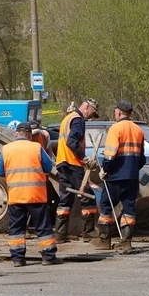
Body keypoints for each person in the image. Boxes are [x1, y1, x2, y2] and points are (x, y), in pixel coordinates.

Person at [0, 122, 58, 267]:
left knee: (16, 228)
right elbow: (48, 167)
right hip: (36, 195)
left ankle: (18, 258)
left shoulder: (6, 149)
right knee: (42, 227)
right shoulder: (36, 148)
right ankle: (48, 257)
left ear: (16, 134)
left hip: (16, 196)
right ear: (30, 135)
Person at [95, 101, 146, 252]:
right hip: (132, 176)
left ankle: (104, 240)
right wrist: (133, 170)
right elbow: (142, 158)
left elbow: (110, 155)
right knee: (129, 208)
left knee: (106, 206)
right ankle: (126, 242)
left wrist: (105, 170)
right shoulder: (138, 130)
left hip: (115, 176)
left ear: (118, 112)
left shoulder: (115, 129)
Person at [54, 98, 100, 243]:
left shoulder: (68, 118)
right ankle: (89, 231)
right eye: (91, 113)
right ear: (86, 107)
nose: (90, 118)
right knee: (87, 194)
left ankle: (60, 234)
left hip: (62, 162)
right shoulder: (77, 120)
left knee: (65, 198)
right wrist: (84, 159)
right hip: (73, 163)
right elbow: (72, 142)